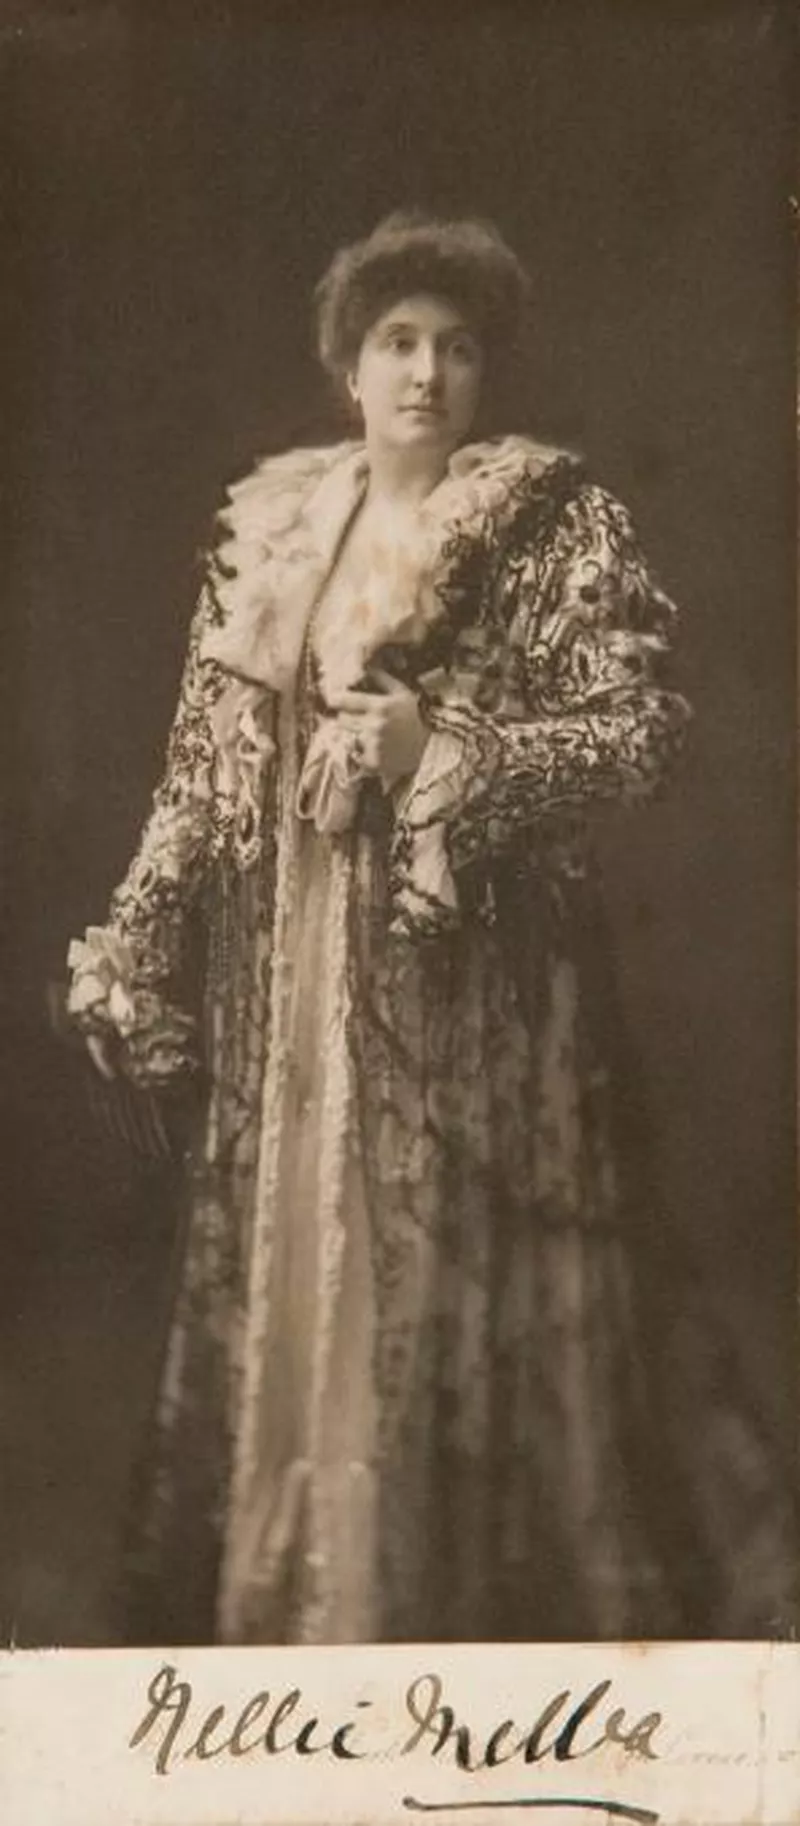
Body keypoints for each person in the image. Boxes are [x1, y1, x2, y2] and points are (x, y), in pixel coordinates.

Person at [67, 209, 703, 1645]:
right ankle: (307, 1597)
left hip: (467, 982)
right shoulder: (275, 528)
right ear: (348, 366)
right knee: (304, 1255)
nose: (426, 374)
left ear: (487, 372)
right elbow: (202, 768)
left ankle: (432, 1602)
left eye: (457, 348)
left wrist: (444, 751)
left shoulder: (546, 518)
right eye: (398, 343)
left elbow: (643, 731)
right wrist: (134, 937)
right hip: (290, 971)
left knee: (429, 1277)